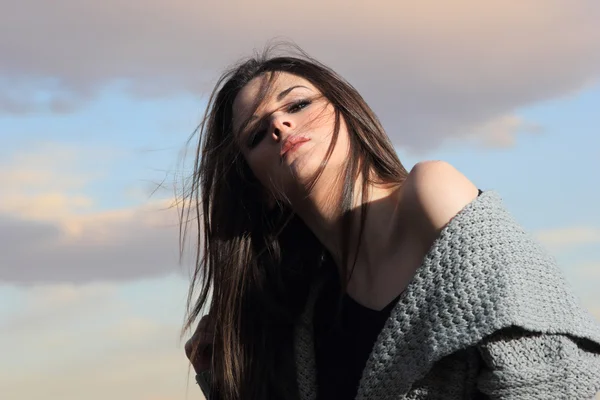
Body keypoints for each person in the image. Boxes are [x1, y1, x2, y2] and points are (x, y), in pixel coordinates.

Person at [182, 45, 600, 400]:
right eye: (256, 134)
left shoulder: (431, 195)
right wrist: (221, 383)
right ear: (257, 188)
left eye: (298, 104)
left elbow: (554, 374)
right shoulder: (307, 319)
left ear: (348, 113)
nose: (279, 123)